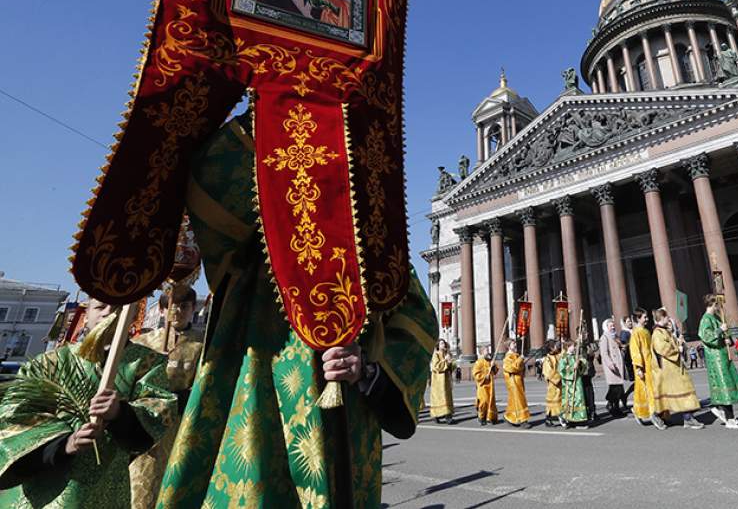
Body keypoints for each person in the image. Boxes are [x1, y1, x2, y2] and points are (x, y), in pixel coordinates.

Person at [158, 113, 436, 507]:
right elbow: (210, 176)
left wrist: (368, 369)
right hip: (255, 405)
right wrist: (275, 100)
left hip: (346, 426)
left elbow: (416, 323)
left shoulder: (374, 241)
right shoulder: (256, 236)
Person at [0, 297, 176, 508]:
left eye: (118, 307)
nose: (108, 312)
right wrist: (65, 443)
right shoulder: (50, 362)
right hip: (44, 491)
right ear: (85, 316)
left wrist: (120, 413)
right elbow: (15, 416)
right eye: (100, 306)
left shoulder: (147, 363)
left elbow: (158, 413)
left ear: (133, 317)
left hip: (106, 487)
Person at [130, 285, 204, 509]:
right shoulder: (143, 343)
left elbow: (203, 382)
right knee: (143, 482)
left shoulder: (202, 344)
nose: (178, 311)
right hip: (146, 422)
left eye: (184, 306)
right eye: (172, 306)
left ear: (193, 310)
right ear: (162, 310)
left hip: (181, 423)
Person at [698, 295, 738, 429]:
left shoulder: (717, 318)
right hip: (716, 358)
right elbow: (705, 336)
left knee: (728, 385)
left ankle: (724, 412)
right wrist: (720, 330)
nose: (719, 307)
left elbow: (725, 336)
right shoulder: (706, 319)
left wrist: (727, 339)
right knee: (725, 386)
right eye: (717, 304)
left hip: (723, 356)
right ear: (712, 304)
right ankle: (729, 418)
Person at [650, 308, 703, 430]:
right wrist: (676, 350)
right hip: (668, 370)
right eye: (666, 317)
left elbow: (674, 345)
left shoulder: (666, 332)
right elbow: (662, 349)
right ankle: (658, 415)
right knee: (673, 395)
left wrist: (679, 342)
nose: (668, 319)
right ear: (661, 318)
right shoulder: (657, 333)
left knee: (684, 391)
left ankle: (687, 417)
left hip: (675, 368)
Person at [628, 308, 658, 427]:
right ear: (638, 319)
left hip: (651, 364)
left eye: (646, 317)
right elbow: (635, 351)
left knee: (651, 389)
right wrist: (639, 367)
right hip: (642, 366)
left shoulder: (646, 331)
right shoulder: (636, 333)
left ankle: (641, 410)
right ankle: (651, 413)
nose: (647, 319)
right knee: (645, 390)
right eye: (644, 317)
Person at [599, 319, 626, 417]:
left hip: (618, 365)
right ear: (606, 327)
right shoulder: (604, 337)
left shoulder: (614, 337)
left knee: (617, 388)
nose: (613, 327)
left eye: (613, 325)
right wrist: (610, 364)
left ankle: (613, 405)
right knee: (615, 388)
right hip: (612, 367)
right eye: (611, 326)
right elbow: (604, 353)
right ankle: (613, 407)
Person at [558, 340, 588, 428]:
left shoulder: (576, 356)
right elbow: (561, 370)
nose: (574, 348)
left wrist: (580, 363)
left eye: (574, 346)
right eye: (572, 346)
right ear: (568, 347)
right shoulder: (564, 357)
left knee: (579, 400)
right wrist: (572, 368)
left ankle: (578, 419)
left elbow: (582, 368)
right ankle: (569, 418)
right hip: (569, 384)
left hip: (577, 382)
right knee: (571, 401)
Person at [502, 340, 531, 427]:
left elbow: (520, 367)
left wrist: (521, 362)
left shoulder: (517, 355)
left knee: (514, 401)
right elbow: (511, 368)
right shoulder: (507, 357)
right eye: (513, 344)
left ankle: (509, 416)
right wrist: (520, 360)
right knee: (518, 400)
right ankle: (522, 420)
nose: (515, 345)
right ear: (509, 346)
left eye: (515, 343)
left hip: (519, 380)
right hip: (513, 381)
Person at [429, 339, 456, 424]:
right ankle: (437, 415)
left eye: (444, 343)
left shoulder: (447, 354)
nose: (443, 345)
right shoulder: (435, 355)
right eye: (441, 343)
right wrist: (445, 360)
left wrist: (451, 363)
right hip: (438, 381)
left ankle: (448, 416)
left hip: (446, 380)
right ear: (438, 346)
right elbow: (436, 367)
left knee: (447, 397)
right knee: (439, 398)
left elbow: (452, 366)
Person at [472, 346, 499, 426]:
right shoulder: (478, 362)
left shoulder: (490, 361)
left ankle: (491, 417)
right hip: (482, 385)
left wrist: (493, 366)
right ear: (481, 352)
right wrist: (484, 376)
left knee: (491, 401)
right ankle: (481, 417)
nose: (488, 352)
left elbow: (495, 371)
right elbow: (475, 373)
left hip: (490, 385)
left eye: (488, 350)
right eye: (486, 350)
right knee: (484, 401)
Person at [542, 340, 563, 426]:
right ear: (551, 348)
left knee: (560, 399)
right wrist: (558, 378)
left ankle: (559, 415)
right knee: (552, 400)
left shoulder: (558, 355)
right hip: (553, 384)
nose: (557, 347)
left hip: (560, 383)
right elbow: (548, 372)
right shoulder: (547, 359)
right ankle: (548, 418)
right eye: (555, 346)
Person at [618, 316, 636, 409]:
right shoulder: (624, 333)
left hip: (636, 357)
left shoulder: (633, 330)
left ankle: (626, 396)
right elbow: (623, 346)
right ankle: (626, 396)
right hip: (630, 360)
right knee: (638, 381)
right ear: (625, 323)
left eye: (630, 321)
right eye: (628, 321)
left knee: (639, 381)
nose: (630, 323)